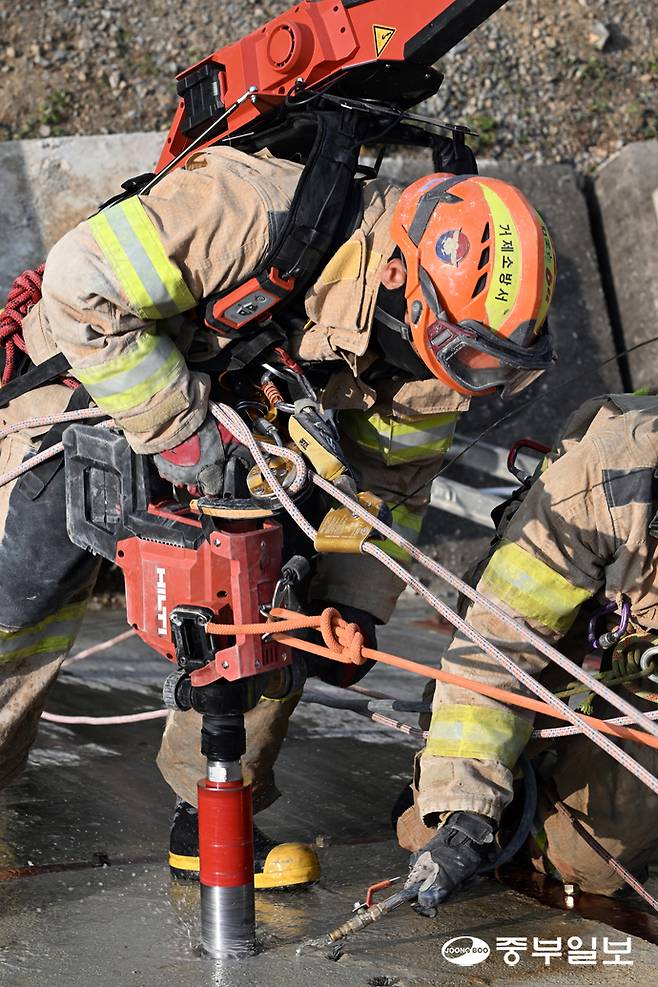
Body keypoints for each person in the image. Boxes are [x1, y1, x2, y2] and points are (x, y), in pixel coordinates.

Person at [0, 146, 556, 889]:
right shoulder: (250, 209)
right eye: (468, 355)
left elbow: (389, 486)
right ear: (397, 273)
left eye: (491, 366)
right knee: (24, 588)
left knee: (277, 589)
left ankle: (212, 812)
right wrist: (182, 432)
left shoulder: (428, 353)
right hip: (92, 388)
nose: (469, 379)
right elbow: (80, 287)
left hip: (244, 439)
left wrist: (348, 602)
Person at [398, 392, 658, 911]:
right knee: (590, 858)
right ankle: (492, 804)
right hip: (606, 629)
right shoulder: (606, 477)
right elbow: (499, 647)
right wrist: (467, 812)